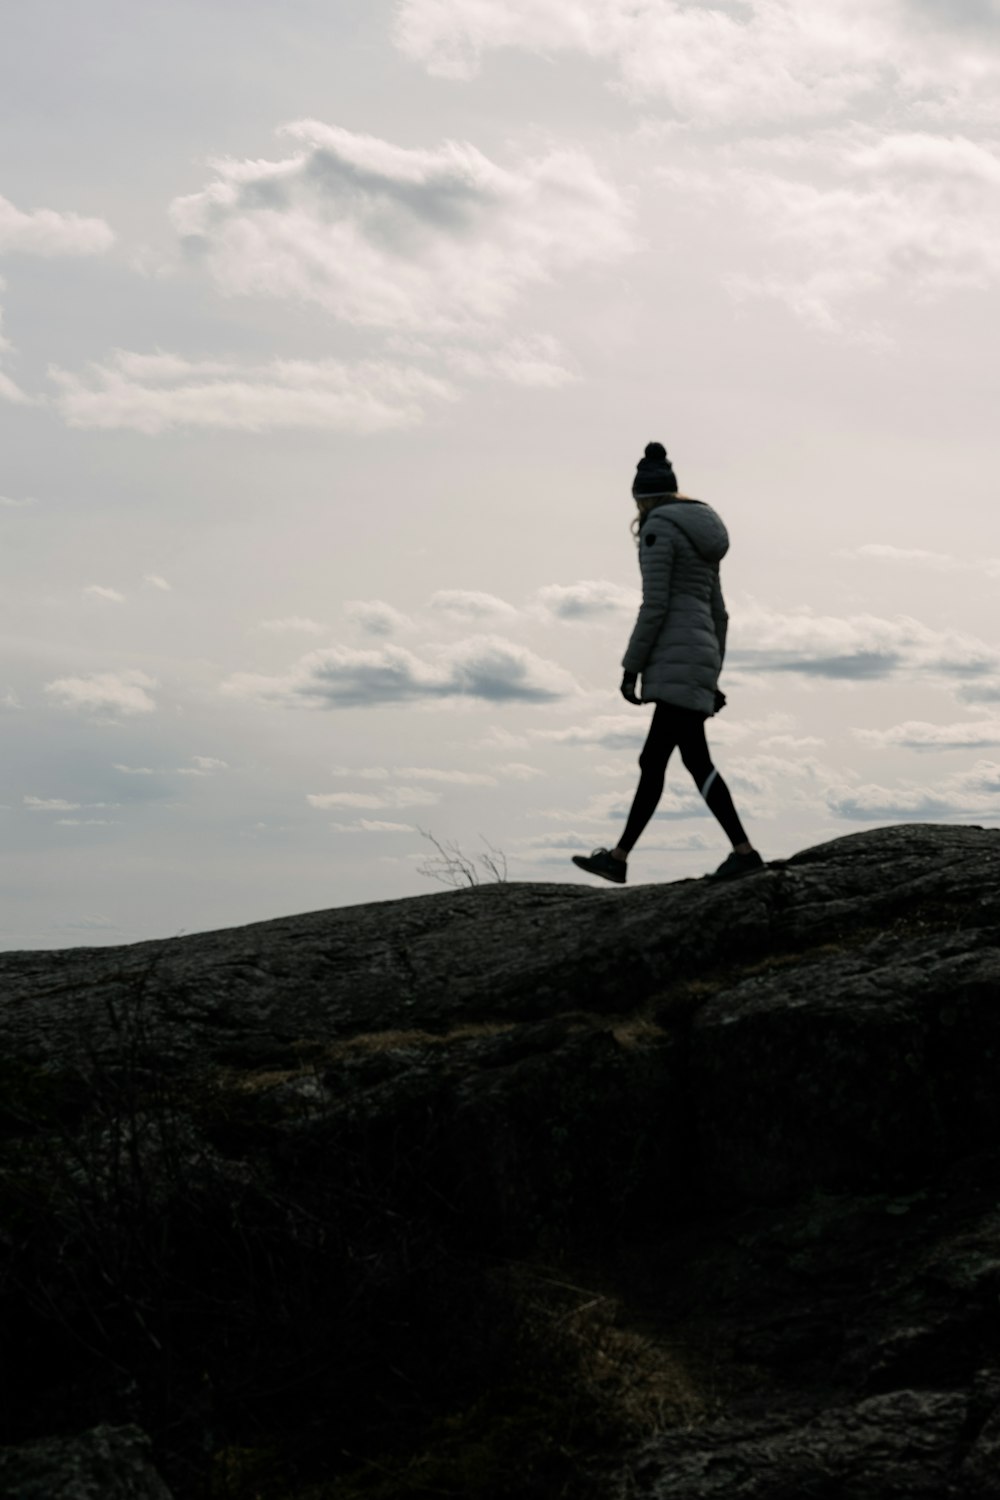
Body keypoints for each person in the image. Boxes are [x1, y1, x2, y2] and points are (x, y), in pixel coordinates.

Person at [572, 441, 763, 885]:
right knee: (680, 760)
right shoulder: (704, 535)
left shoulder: (659, 530)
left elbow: (654, 604)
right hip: (698, 655)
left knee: (663, 760)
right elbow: (720, 613)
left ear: (642, 497)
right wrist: (712, 673)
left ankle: (625, 859)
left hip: (674, 654)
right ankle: (624, 857)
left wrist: (630, 667)